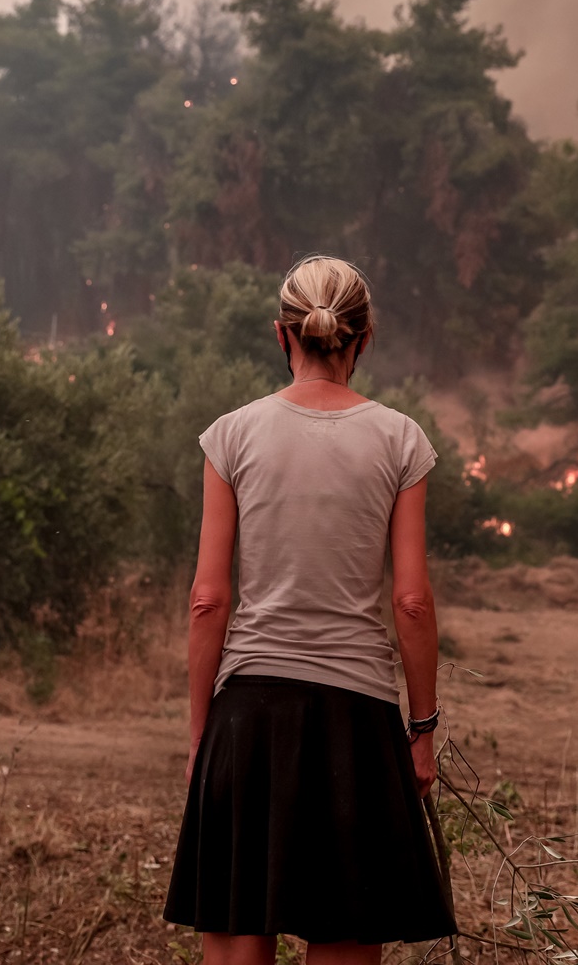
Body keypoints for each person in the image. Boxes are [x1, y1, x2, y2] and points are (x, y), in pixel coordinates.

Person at [164, 256, 456, 965]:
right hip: (355, 726)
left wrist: (203, 734)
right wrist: (421, 730)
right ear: (364, 339)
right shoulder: (400, 439)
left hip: (249, 719)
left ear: (281, 334)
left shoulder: (231, 435)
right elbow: (411, 601)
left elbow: (209, 599)